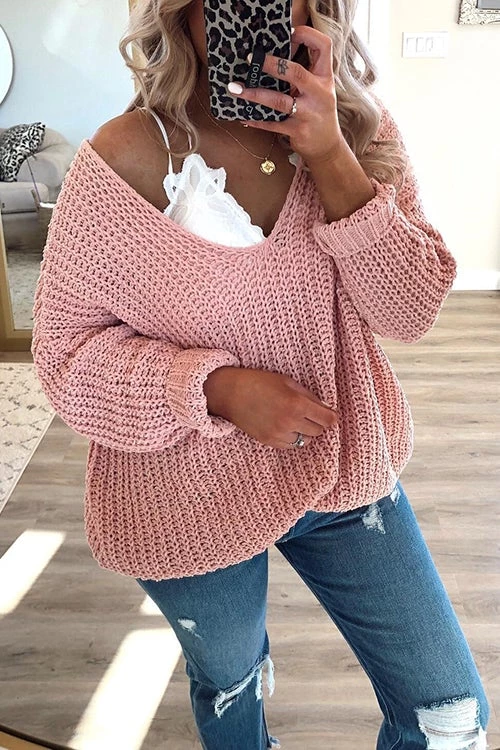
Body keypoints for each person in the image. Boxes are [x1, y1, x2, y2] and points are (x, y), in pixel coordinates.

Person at [31, 0, 490, 748]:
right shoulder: (121, 158)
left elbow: (409, 311)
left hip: (341, 471)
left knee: (450, 713)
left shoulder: (360, 133)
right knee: (231, 681)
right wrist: (212, 388)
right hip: (184, 494)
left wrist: (332, 157)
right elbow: (65, 356)